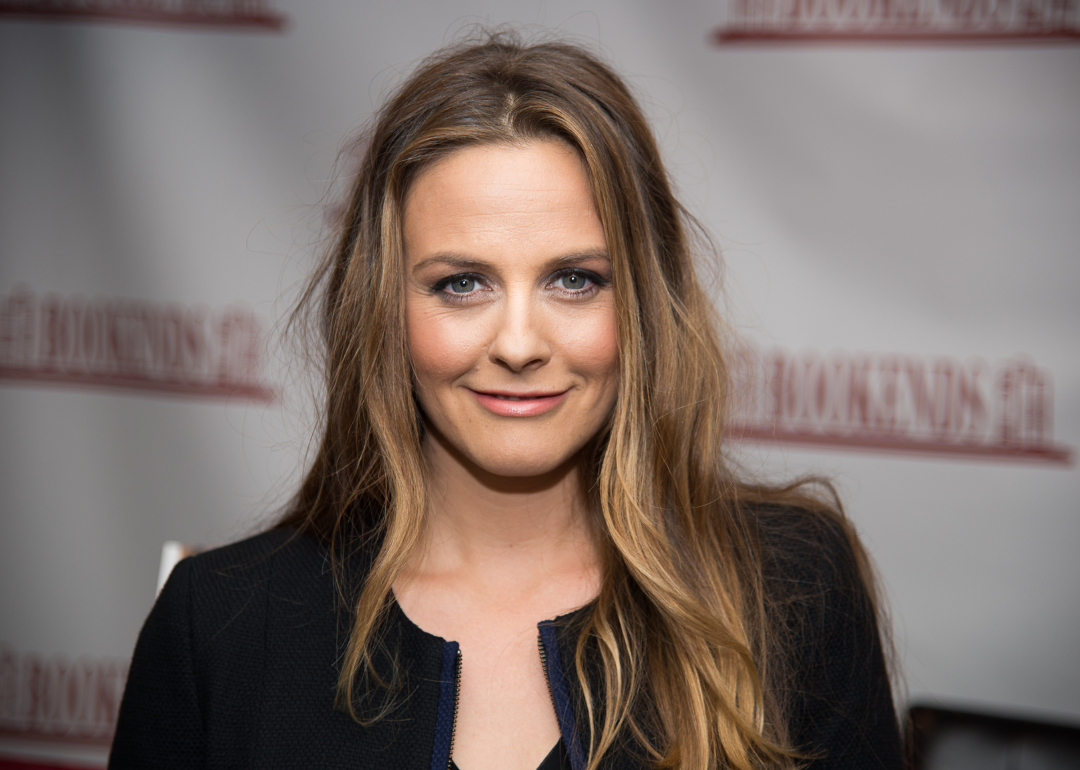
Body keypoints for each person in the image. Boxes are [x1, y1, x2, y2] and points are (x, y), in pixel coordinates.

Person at [110, 33, 902, 770]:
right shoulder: (219, 625)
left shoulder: (791, 593)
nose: (519, 344)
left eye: (574, 280)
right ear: (383, 307)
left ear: (644, 307)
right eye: (462, 284)